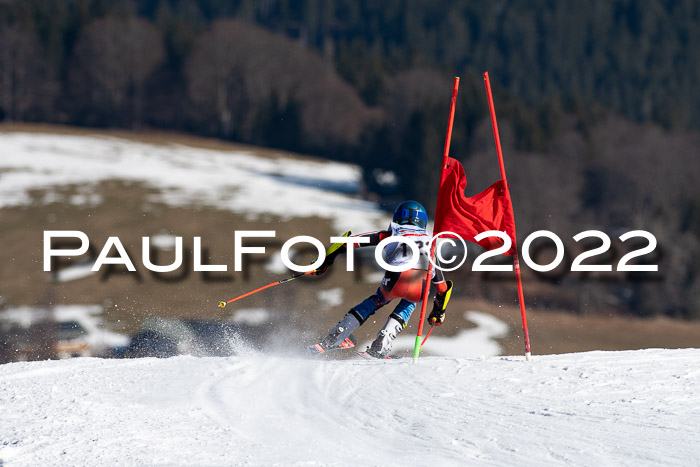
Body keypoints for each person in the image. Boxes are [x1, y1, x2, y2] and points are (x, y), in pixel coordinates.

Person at [307, 200, 453, 358]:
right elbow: (442, 287)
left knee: (377, 300)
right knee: (409, 303)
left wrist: (324, 261)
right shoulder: (430, 242)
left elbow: (348, 242)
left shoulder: (391, 234)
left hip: (397, 276)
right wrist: (438, 312)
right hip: (420, 284)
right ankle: (382, 343)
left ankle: (337, 335)